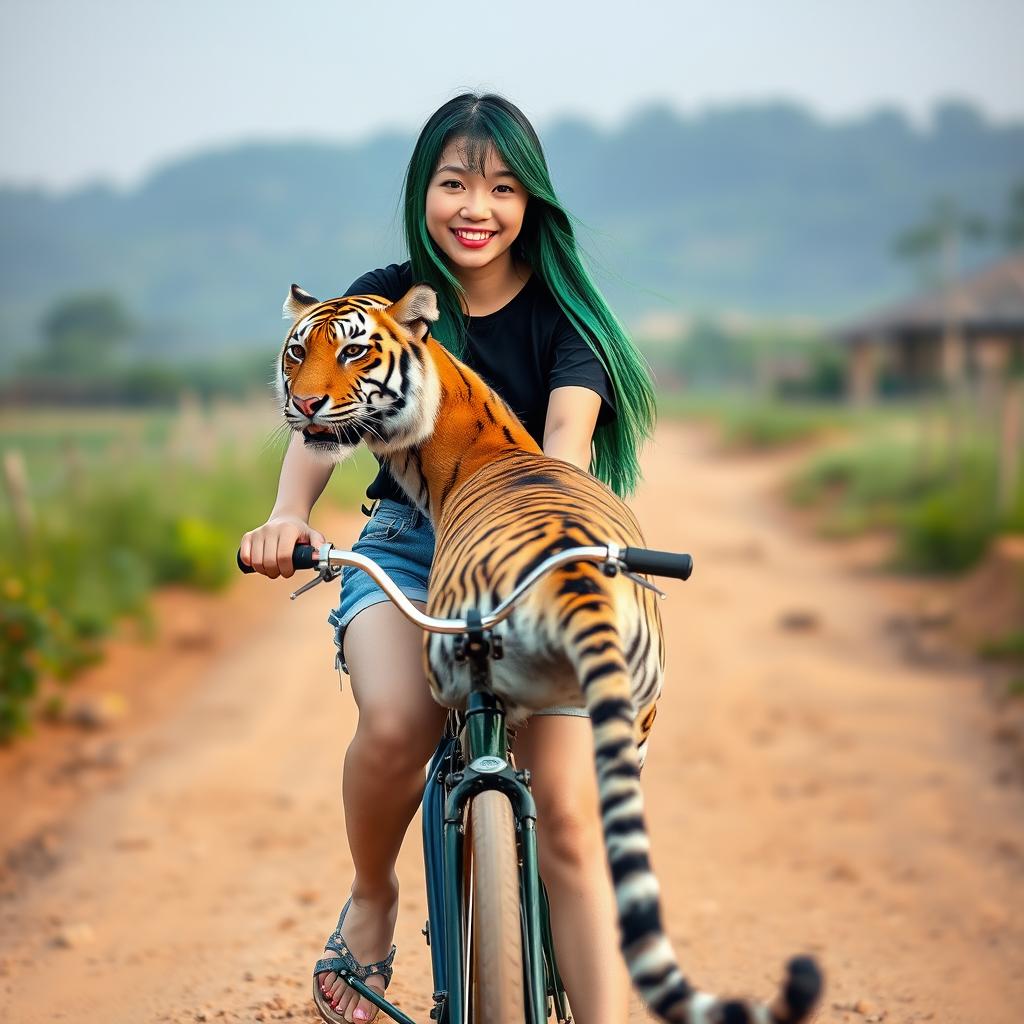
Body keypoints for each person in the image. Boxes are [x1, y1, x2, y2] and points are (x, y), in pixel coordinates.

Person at [240, 92, 656, 1024]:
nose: (478, 207)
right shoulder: (382, 296)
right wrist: (284, 516)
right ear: (423, 191)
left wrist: (551, 548)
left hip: (527, 549)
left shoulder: (565, 320)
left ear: (531, 203)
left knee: (573, 811)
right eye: (456, 182)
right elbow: (324, 415)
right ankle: (375, 898)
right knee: (396, 723)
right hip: (408, 547)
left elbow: (565, 449)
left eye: (504, 188)